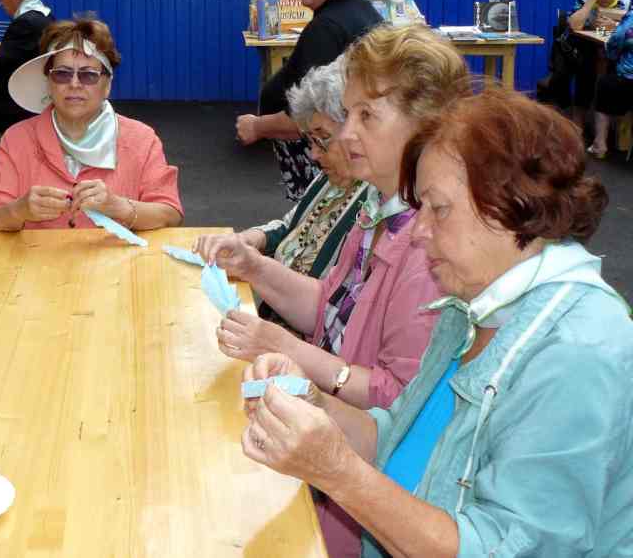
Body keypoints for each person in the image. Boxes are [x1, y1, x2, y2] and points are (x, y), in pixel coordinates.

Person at [241, 89, 633, 558]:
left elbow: (504, 548)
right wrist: (314, 402)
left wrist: (337, 472)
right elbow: (394, 434)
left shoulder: (577, 353)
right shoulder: (469, 307)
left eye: (438, 208)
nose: (420, 229)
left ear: (511, 204)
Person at [204, 24, 471, 558]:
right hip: (334, 439)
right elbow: (326, 307)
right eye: (347, 116)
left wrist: (282, 349)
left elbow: (396, 398)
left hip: (353, 498)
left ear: (427, 126)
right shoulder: (377, 208)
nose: (346, 135)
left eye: (365, 116)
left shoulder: (431, 249)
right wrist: (257, 267)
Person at [195, 58, 367, 325]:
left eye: (322, 139)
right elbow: (293, 225)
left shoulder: (374, 205)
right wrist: (252, 238)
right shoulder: (331, 177)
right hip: (276, 317)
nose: (313, 153)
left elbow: (333, 311)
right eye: (310, 140)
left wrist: (253, 266)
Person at [0, 18, 183, 231]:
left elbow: (170, 214)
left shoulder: (142, 139)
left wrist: (119, 207)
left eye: (88, 75)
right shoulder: (17, 139)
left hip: (119, 263)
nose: (74, 84)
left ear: (107, 85)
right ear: (48, 83)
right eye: (62, 74)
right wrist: (18, 210)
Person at [237, 0, 383, 202]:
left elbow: (309, 119)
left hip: (327, 177)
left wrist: (257, 126)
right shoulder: (358, 12)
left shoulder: (328, 28)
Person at [555, 0, 632, 126]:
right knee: (585, 73)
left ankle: (606, 127)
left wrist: (615, 26)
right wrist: (591, 0)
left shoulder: (625, 3)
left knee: (610, 76)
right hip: (579, 48)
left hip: (613, 49)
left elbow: (628, 30)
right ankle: (578, 126)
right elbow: (574, 25)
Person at [0, 0, 55, 139]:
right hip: (39, 96)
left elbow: (0, 62)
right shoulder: (48, 17)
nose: (1, 4)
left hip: (19, 102)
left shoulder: (25, 23)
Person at [588, 6, 633, 158]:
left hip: (627, 79)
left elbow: (616, 42)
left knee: (605, 83)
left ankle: (600, 145)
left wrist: (610, 52)